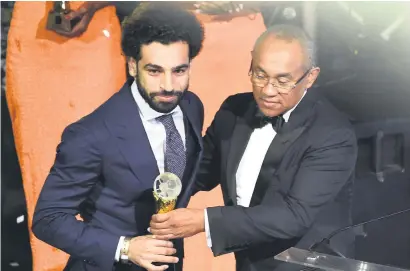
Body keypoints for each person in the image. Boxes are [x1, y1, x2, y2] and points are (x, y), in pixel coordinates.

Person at [150, 24, 358, 270]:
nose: (268, 91)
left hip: (306, 262)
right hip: (249, 260)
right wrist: (152, 183)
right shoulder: (234, 110)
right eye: (260, 75)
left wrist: (204, 220)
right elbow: (200, 170)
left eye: (283, 81)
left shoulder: (333, 135)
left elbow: (293, 217)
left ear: (310, 77)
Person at [32, 3, 205, 271]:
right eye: (155, 71)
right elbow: (48, 218)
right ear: (133, 66)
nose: (169, 86)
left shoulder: (191, 106)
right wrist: (124, 248)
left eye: (179, 71)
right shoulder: (91, 134)